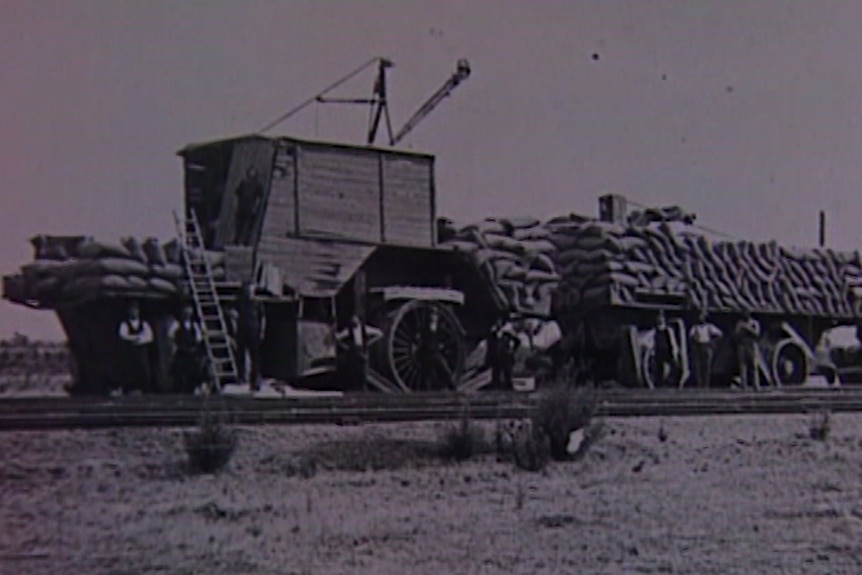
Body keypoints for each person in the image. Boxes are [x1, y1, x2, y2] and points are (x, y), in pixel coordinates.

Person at [118, 300, 153, 395]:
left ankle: (145, 389)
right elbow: (123, 335)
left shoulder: (144, 323)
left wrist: (141, 340)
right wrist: (135, 337)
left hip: (141, 350)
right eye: (131, 310)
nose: (134, 312)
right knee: (129, 370)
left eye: (135, 310)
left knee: (144, 370)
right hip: (130, 351)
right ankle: (130, 389)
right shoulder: (124, 324)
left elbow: (149, 337)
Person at [168, 304, 205, 394]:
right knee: (179, 375)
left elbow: (199, 339)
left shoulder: (195, 325)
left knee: (192, 374)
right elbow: (170, 337)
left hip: (191, 353)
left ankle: (191, 391)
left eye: (189, 312)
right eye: (185, 312)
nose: (187, 314)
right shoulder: (176, 324)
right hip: (181, 352)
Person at [236, 281, 266, 392]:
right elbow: (232, 311)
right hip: (242, 330)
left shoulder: (257, 303)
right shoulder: (240, 302)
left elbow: (262, 318)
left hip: (254, 331)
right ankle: (241, 377)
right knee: (240, 354)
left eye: (251, 290)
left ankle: (255, 380)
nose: (249, 292)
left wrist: (262, 331)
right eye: (247, 290)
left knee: (255, 357)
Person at [688, 310, 723, 388]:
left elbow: (720, 334)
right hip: (698, 347)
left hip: (706, 346)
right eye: (699, 316)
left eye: (702, 316)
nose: (701, 318)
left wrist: (712, 342)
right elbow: (691, 337)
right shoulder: (695, 327)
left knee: (707, 366)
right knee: (698, 367)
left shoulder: (709, 327)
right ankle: (699, 384)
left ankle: (706, 384)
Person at [233, 166, 265, 245]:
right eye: (251, 172)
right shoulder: (244, 183)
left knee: (249, 225)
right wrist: (236, 205)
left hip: (250, 207)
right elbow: (237, 194)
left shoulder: (257, 185)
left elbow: (258, 197)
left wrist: (255, 207)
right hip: (242, 206)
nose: (252, 174)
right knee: (239, 225)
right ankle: (236, 240)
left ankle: (246, 241)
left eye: (253, 172)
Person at [734, 310, 761, 389]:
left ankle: (756, 385)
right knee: (742, 365)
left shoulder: (754, 323)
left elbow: (757, 334)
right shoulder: (740, 323)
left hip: (752, 345)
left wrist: (748, 329)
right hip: (742, 345)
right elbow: (736, 334)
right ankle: (744, 384)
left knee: (754, 365)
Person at [652, 311, 680, 388]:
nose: (659, 320)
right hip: (658, 352)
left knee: (674, 368)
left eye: (661, 318)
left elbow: (672, 341)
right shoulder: (654, 331)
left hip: (668, 352)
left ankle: (672, 383)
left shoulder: (668, 330)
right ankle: (659, 384)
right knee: (659, 370)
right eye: (658, 318)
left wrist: (675, 352)